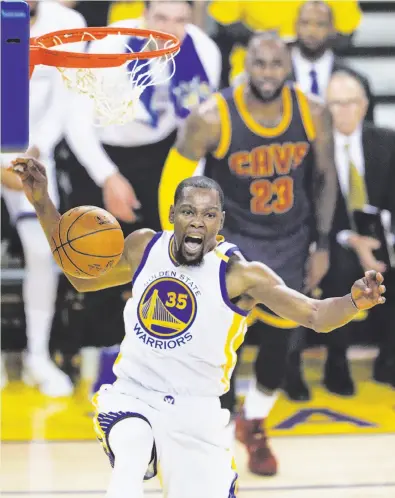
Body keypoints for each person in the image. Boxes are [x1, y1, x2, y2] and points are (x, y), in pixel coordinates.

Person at [11, 156, 385, 498]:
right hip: (133, 395)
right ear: (172, 214)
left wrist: (353, 302)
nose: (197, 221)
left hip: (196, 413)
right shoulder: (144, 248)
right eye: (188, 211)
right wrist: (43, 204)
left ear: (220, 222)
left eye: (208, 215)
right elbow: (83, 279)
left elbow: (316, 316)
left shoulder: (242, 276)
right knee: (129, 460)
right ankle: (140, 457)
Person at [159, 31, 337, 475]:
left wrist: (324, 243)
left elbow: (326, 179)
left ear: (288, 66)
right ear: (245, 64)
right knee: (219, 351)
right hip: (231, 244)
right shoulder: (211, 116)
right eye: (260, 64)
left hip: (290, 241)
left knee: (281, 343)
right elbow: (174, 181)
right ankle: (217, 440)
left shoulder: (313, 112)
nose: (268, 74)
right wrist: (177, 244)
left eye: (276, 65)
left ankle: (254, 422)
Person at [57, 0, 221, 355]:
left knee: (164, 250)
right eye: (160, 18)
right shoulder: (108, 48)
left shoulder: (203, 51)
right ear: (143, 15)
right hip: (101, 150)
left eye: (180, 20)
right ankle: (96, 347)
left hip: (161, 151)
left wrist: (191, 191)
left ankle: (157, 346)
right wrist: (108, 178)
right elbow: (75, 124)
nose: (168, 30)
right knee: (98, 252)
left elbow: (196, 129)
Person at [0, 0, 86, 397]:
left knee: (42, 250)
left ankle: (37, 355)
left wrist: (33, 152)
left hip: (36, 154)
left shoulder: (69, 23)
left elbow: (68, 101)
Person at [302, 70, 394, 394]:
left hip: (381, 236)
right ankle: (336, 362)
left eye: (350, 103)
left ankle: (389, 360)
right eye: (334, 104)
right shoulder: (312, 148)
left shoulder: (386, 141)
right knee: (339, 271)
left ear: (364, 105)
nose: (343, 111)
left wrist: (383, 241)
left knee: (391, 265)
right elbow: (312, 209)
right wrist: (352, 241)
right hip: (334, 239)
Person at [290, 0, 374, 121]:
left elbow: (366, 134)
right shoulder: (276, 77)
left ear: (332, 29)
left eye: (320, 24)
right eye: (305, 23)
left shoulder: (356, 80)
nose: (311, 31)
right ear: (295, 26)